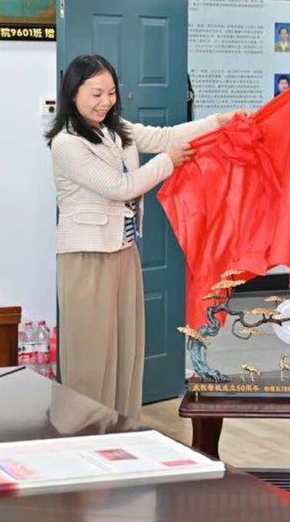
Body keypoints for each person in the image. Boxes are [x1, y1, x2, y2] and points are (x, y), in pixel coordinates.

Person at [45, 54, 249, 420]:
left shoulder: (114, 128)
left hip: (123, 249)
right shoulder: (67, 143)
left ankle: (120, 427)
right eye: (96, 94)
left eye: (111, 92)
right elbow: (121, 187)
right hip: (86, 256)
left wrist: (217, 121)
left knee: (125, 347)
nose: (106, 102)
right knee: (90, 352)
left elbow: (165, 136)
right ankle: (81, 431)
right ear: (73, 93)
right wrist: (167, 161)